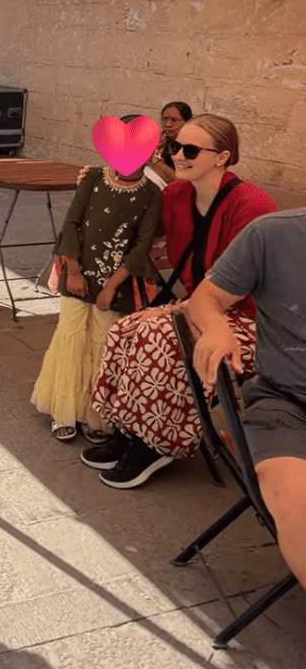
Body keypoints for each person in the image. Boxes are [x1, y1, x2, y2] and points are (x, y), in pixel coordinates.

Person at [83, 114, 276, 488]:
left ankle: (158, 443)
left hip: (251, 319)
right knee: (127, 329)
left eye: (190, 149)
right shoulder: (176, 195)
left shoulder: (250, 203)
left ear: (222, 157)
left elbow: (244, 283)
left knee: (162, 339)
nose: (178, 156)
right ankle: (129, 429)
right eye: (174, 148)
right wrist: (100, 187)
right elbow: (135, 224)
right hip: (198, 305)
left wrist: (183, 309)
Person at [190, 208, 306, 591]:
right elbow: (205, 297)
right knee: (296, 507)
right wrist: (217, 327)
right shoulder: (273, 234)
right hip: (286, 408)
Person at [31, 118, 161, 442]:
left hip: (115, 284)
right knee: (71, 337)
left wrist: (111, 287)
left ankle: (96, 415)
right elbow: (72, 222)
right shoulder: (92, 178)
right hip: (79, 276)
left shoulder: (151, 195)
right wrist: (73, 271)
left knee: (103, 345)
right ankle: (64, 411)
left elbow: (140, 246)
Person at [144, 101, 192, 187]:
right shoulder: (162, 141)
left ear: (187, 122)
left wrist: (153, 158)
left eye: (174, 120)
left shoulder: (192, 147)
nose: (168, 125)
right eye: (165, 119)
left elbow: (182, 183)